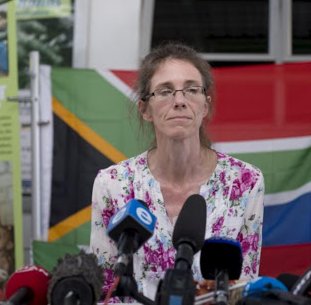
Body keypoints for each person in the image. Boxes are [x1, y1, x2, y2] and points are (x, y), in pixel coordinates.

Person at [90, 42, 265, 300]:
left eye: (191, 90)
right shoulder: (112, 184)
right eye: (165, 91)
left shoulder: (246, 182)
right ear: (145, 109)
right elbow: (105, 289)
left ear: (205, 106)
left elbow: (243, 288)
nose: (180, 101)